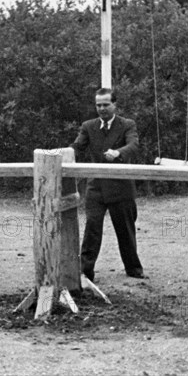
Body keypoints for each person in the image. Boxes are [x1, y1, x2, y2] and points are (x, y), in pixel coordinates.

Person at [70, 87, 144, 281]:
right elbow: (77, 147)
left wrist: (118, 153)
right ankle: (85, 272)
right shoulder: (89, 126)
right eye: (98, 105)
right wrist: (58, 154)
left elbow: (133, 145)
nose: (102, 108)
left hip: (121, 187)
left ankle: (133, 270)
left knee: (125, 230)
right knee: (92, 228)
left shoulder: (127, 125)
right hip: (96, 187)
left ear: (114, 105)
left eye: (105, 104)